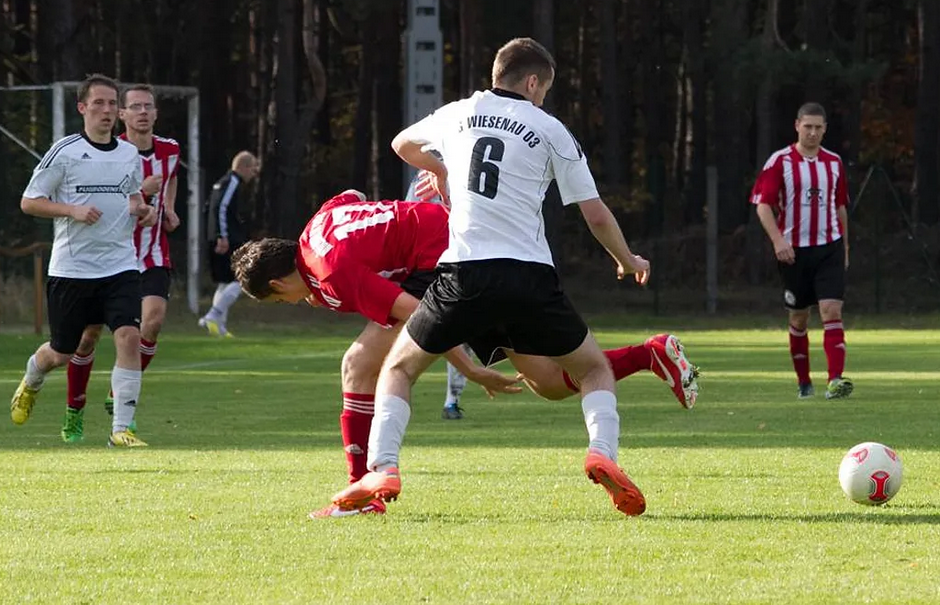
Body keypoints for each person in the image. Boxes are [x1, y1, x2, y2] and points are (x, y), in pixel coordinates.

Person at [330, 37, 665, 517]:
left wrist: (442, 170)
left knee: (399, 369)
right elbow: (594, 214)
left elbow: (401, 144)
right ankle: (601, 454)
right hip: (530, 277)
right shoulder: (550, 128)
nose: (543, 97)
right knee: (592, 368)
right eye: (544, 88)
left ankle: (384, 467)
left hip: (464, 273)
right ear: (532, 82)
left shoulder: (457, 113)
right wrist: (627, 259)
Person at [231, 190, 699, 518]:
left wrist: (470, 369)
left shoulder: (330, 273)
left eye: (280, 300)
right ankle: (650, 355)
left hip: (451, 267)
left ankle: (366, 487)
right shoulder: (320, 225)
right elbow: (352, 197)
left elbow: (416, 313)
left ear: (276, 284)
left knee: (361, 363)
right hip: (486, 251)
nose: (293, 304)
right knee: (552, 384)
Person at [10, 73, 158, 448]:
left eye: (112, 103)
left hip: (120, 265)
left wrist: (143, 209)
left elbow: (130, 198)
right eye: (99, 103)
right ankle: (32, 379)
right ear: (82, 108)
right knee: (61, 351)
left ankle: (121, 429)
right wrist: (71, 210)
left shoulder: (129, 154)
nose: (107, 110)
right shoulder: (66, 151)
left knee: (128, 335)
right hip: (73, 270)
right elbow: (30, 201)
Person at [59, 83, 182, 443]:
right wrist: (143, 193)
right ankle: (74, 409)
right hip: (110, 257)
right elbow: (117, 199)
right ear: (123, 116)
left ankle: (120, 397)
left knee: (151, 323)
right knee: (88, 337)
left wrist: (169, 208)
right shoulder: (112, 153)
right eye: (135, 107)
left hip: (153, 252)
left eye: (149, 106)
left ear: (156, 113)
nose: (143, 112)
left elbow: (170, 179)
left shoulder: (170, 150)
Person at [750, 101, 853, 401]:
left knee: (832, 310)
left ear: (825, 130)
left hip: (829, 247)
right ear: (797, 126)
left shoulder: (834, 163)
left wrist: (845, 247)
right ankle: (804, 382)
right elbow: (763, 205)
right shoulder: (780, 161)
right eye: (807, 126)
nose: (812, 132)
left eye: (818, 127)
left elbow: (841, 207)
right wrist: (778, 241)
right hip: (794, 253)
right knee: (799, 319)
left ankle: (835, 380)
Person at [406, 161, 471, 421]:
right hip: (443, 263)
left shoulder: (432, 173)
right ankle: (449, 400)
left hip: (442, 263)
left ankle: (451, 400)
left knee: (454, 335)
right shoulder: (434, 174)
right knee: (437, 334)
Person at [198, 150, 260, 337]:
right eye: (253, 169)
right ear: (243, 167)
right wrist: (221, 235)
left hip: (215, 236)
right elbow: (221, 207)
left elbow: (208, 208)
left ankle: (218, 328)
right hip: (227, 238)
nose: (253, 174)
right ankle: (212, 315)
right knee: (241, 279)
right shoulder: (232, 182)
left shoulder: (220, 182)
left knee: (224, 282)